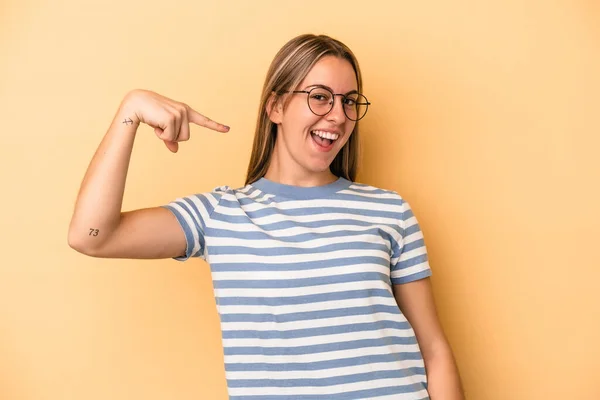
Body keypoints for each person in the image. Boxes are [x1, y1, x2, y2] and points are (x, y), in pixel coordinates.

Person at [68, 33, 465, 399]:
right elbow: (92, 235)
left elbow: (434, 349)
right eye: (320, 96)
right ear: (275, 106)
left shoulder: (389, 209)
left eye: (349, 101)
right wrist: (130, 111)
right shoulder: (221, 215)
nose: (339, 116)